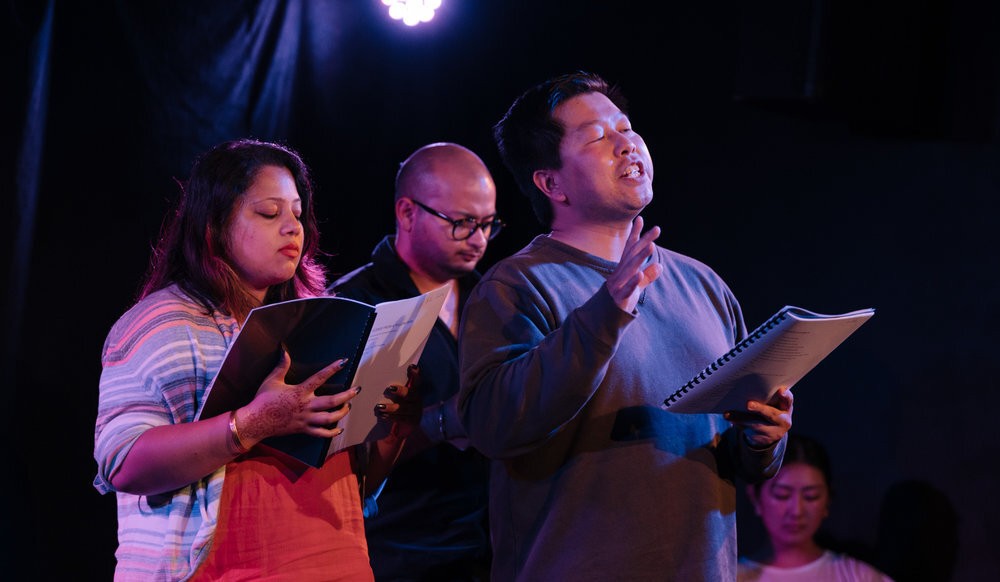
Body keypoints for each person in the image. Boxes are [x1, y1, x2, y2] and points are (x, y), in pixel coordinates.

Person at [456, 70, 795, 581]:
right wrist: (604, 312)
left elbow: (735, 452)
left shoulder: (703, 284)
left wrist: (764, 439)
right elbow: (492, 425)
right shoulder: (517, 286)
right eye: (597, 136)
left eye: (626, 127)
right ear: (552, 183)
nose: (625, 143)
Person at [93, 138, 421, 581]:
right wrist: (250, 424)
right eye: (270, 213)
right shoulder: (161, 323)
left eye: (297, 214)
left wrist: (392, 426)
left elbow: (354, 476)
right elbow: (123, 461)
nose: (292, 227)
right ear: (214, 226)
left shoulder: (321, 322)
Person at [328, 142, 497, 581]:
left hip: (495, 551)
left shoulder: (496, 300)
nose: (478, 240)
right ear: (407, 213)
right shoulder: (353, 305)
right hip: (398, 555)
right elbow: (334, 456)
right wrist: (440, 422)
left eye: (487, 224)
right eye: (461, 223)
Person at [739, 433, 894, 581]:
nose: (796, 511)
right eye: (782, 495)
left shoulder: (858, 576)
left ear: (827, 500)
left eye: (811, 496)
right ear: (755, 497)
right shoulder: (729, 575)